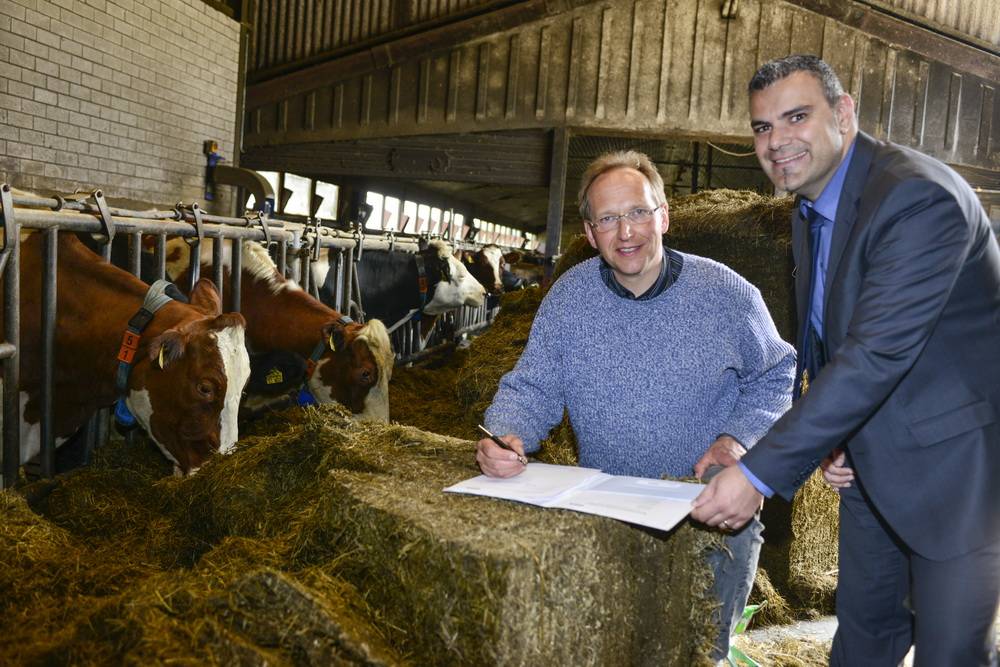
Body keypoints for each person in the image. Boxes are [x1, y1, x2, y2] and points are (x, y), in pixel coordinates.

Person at [691, 54, 1000, 666]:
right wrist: (839, 438)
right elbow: (829, 345)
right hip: (869, 470)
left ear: (844, 112)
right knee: (862, 644)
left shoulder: (916, 198)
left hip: (955, 476)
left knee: (951, 654)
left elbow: (876, 354)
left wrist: (757, 474)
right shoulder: (811, 208)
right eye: (761, 127)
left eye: (796, 117)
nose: (776, 142)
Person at [477, 150, 796, 661]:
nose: (625, 232)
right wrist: (507, 433)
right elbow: (533, 386)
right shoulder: (569, 299)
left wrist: (738, 439)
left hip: (707, 517)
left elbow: (777, 373)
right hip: (607, 511)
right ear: (589, 232)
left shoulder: (725, 293)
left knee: (696, 654)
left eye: (638, 212)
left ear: (663, 216)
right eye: (608, 218)